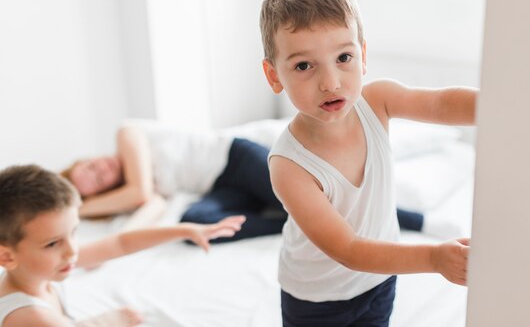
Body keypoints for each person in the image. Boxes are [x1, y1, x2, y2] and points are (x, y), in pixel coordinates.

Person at [259, 0, 478, 326]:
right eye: (303, 66)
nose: (330, 83)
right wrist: (435, 259)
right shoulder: (289, 165)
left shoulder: (377, 101)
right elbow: (348, 249)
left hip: (379, 280)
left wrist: (500, 109)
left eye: (343, 58)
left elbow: (439, 104)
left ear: (362, 55)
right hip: (316, 300)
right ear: (274, 76)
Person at [61, 121, 444, 243]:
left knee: (326, 202)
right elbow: (149, 210)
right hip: (219, 185)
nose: (101, 169)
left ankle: (417, 221)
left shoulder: (127, 134)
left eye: (91, 165)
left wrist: (78, 204)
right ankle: (293, 221)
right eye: (95, 180)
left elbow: (141, 194)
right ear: (105, 193)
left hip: (237, 158)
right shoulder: (138, 185)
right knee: (197, 227)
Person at [0, 164, 245, 327]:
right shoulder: (29, 315)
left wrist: (185, 230)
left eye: (74, 232)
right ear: (7, 257)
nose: (72, 250)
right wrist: (108, 320)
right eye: (53, 243)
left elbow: (119, 242)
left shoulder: (37, 268)